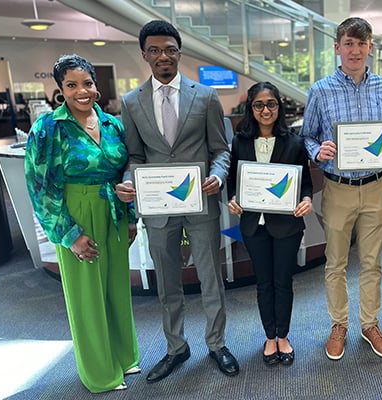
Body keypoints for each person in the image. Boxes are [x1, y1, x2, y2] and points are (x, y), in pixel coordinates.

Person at [115, 20, 239, 381]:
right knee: (167, 282)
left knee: (210, 278)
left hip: (199, 202)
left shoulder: (205, 96)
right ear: (145, 55)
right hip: (158, 208)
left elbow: (220, 149)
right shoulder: (131, 102)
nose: (163, 56)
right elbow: (134, 158)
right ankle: (176, 348)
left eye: (169, 49)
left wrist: (218, 174)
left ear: (179, 52)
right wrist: (127, 182)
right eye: (154, 50)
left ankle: (216, 344)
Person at [24, 54, 139, 393]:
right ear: (60, 89)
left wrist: (130, 217)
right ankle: (100, 374)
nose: (82, 91)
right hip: (74, 211)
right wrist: (69, 235)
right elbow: (39, 186)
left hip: (113, 210)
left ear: (96, 84)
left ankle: (124, 355)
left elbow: (124, 173)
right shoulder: (48, 128)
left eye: (87, 83)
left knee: (117, 287)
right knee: (86, 294)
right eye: (72, 85)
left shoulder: (112, 124)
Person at [300, 17, 382, 360]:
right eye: (348, 44)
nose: (355, 50)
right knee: (336, 262)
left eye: (361, 43)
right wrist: (316, 150)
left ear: (371, 47)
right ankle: (338, 324)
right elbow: (307, 135)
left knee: (372, 262)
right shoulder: (320, 90)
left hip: (374, 187)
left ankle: (370, 324)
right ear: (337, 48)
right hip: (337, 187)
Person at [227, 82, 313, 366]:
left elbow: (305, 184)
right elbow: (232, 183)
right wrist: (233, 198)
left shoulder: (295, 142)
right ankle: (269, 336)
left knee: (283, 281)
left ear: (279, 107)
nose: (266, 110)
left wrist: (307, 199)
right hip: (254, 225)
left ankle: (283, 335)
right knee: (264, 283)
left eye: (271, 104)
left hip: (286, 224)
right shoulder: (239, 142)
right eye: (259, 105)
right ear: (251, 109)